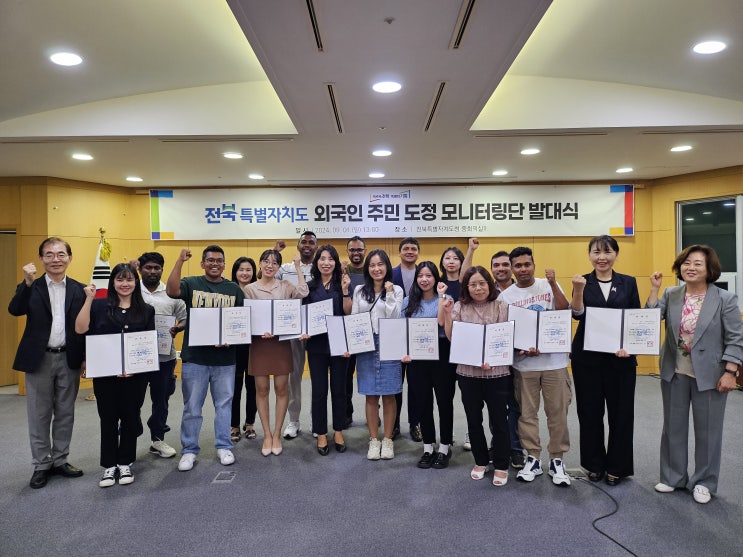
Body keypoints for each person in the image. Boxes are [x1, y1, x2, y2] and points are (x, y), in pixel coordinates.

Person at [647, 245, 743, 504]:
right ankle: (673, 477)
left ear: (709, 269)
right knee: (673, 427)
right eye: (686, 263)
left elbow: (736, 338)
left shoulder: (725, 299)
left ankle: (704, 481)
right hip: (675, 371)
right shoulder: (671, 293)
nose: (690, 268)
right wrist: (655, 289)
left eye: (697, 263)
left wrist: (731, 371)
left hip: (711, 375)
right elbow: (649, 319)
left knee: (708, 431)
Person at [9, 237, 86, 489]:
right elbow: (15, 309)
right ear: (41, 259)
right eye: (49, 255)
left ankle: (60, 460)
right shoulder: (31, 286)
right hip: (39, 358)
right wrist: (27, 283)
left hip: (69, 358)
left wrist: (86, 357)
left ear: (70, 258)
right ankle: (41, 464)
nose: (56, 259)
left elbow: (85, 326)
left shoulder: (79, 289)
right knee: (39, 413)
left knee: (65, 412)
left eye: (61, 254)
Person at [75, 263, 156, 487]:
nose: (124, 284)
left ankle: (125, 462)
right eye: (120, 279)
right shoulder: (98, 305)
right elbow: (80, 329)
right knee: (108, 418)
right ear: (113, 282)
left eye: (129, 279)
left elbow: (148, 342)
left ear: (136, 282)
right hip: (106, 375)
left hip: (136, 376)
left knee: (130, 417)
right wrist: (89, 299)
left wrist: (135, 366)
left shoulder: (146, 310)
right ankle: (109, 466)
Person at [498, 246, 573, 487]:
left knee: (557, 413)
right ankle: (533, 457)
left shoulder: (549, 285)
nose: (523, 269)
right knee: (527, 414)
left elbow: (564, 311)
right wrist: (520, 346)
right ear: (512, 269)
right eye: (518, 266)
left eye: (527, 264)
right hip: (524, 365)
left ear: (534, 265)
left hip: (555, 363)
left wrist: (552, 284)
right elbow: (505, 331)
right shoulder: (505, 297)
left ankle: (557, 459)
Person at [166, 245, 245, 471]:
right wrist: (180, 261)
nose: (214, 264)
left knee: (224, 405)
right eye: (210, 260)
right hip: (195, 359)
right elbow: (171, 291)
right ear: (202, 263)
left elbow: (240, 322)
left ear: (224, 264)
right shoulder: (192, 283)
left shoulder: (234, 289)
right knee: (192, 407)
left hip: (225, 360)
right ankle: (189, 450)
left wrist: (231, 338)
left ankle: (224, 446)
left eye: (219, 260)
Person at [570, 236, 640, 485]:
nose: (601, 257)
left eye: (607, 251)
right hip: (587, 360)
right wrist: (578, 290)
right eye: (596, 252)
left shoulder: (628, 282)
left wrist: (630, 348)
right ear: (589, 255)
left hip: (621, 360)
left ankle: (617, 467)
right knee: (589, 412)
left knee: (622, 414)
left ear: (616, 255)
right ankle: (594, 464)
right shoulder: (581, 281)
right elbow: (577, 314)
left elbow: (635, 318)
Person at [441, 266, 511, 486]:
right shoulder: (459, 306)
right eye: (473, 284)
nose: (478, 288)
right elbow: (452, 337)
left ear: (489, 284)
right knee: (473, 419)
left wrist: (493, 358)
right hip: (468, 373)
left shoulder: (501, 306)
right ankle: (480, 460)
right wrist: (447, 313)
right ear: (466, 287)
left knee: (499, 420)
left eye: (482, 283)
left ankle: (501, 464)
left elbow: (504, 339)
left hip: (497, 372)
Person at [244, 249, 308, 456]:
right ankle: (267, 435)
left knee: (281, 389)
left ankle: (277, 433)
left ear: (279, 267)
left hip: (281, 344)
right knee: (261, 390)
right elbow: (246, 317)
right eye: (266, 261)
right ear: (260, 264)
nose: (269, 265)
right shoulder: (250, 289)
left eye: (274, 263)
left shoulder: (285, 286)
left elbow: (303, 292)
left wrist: (297, 267)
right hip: (259, 344)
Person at [344, 249, 403, 460]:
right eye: (372, 265)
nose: (376, 269)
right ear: (367, 269)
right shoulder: (360, 290)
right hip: (366, 345)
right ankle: (374, 440)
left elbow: (394, 318)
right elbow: (354, 318)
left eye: (380, 264)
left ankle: (387, 440)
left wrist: (389, 293)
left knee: (389, 394)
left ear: (387, 267)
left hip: (389, 344)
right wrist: (351, 344)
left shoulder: (396, 290)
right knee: (370, 394)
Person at [401, 261, 456, 469]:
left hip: (442, 355)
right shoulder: (408, 301)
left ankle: (444, 447)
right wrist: (405, 353)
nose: (424, 279)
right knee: (423, 402)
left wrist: (441, 296)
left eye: (429, 275)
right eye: (420, 276)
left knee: (444, 402)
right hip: (417, 358)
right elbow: (402, 329)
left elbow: (442, 323)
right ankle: (428, 447)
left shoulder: (446, 298)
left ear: (436, 278)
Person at [137, 252, 187, 459]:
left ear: (162, 270)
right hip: (136, 359)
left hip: (164, 358)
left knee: (161, 402)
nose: (152, 271)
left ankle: (157, 439)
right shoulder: (130, 290)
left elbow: (184, 318)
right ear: (140, 269)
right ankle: (128, 441)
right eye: (148, 267)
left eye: (156, 268)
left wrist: (177, 328)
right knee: (132, 402)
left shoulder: (172, 293)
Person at [302, 245, 347, 455]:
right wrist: (304, 330)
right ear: (316, 262)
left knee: (339, 390)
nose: (326, 263)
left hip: (340, 345)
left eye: (330, 259)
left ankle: (338, 430)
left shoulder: (343, 285)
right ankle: (321, 432)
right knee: (319, 391)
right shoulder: (309, 287)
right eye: (322, 258)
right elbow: (303, 313)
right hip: (317, 345)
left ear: (336, 263)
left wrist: (346, 291)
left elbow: (349, 313)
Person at [275, 231, 318, 440]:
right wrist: (275, 252)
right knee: (294, 377)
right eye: (304, 242)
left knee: (319, 378)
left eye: (311, 242)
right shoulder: (285, 269)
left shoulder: (322, 266)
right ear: (298, 246)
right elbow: (265, 277)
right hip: (293, 329)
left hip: (317, 329)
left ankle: (317, 421)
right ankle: (294, 421)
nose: (307, 245)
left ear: (316, 247)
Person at [392, 237, 422, 441]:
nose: (410, 251)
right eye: (406, 248)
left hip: (419, 337)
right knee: (396, 383)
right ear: (400, 252)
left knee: (416, 384)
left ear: (418, 252)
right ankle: (394, 424)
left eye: (413, 248)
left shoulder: (425, 273)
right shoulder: (390, 273)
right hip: (396, 335)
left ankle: (415, 424)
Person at [230, 256, 258, 442]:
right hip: (233, 347)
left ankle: (250, 424)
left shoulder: (256, 291)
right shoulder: (228, 290)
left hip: (255, 346)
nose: (245, 273)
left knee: (253, 387)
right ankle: (233, 425)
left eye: (248, 270)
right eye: (241, 269)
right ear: (235, 272)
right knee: (234, 387)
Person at [343, 236, 367, 427]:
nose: (356, 253)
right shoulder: (342, 272)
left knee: (369, 373)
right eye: (352, 250)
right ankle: (346, 412)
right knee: (345, 375)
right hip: (347, 330)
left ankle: (373, 412)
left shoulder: (372, 270)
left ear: (365, 251)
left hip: (368, 329)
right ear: (348, 252)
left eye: (359, 249)